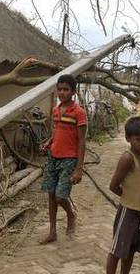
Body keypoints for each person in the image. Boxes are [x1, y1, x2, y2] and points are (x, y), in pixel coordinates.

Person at [39, 74, 87, 244]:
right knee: (51, 195)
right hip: (53, 157)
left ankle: (71, 215)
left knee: (60, 197)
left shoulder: (79, 113)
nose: (62, 92)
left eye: (66, 89)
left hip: (69, 159)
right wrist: (48, 142)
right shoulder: (56, 110)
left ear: (73, 91)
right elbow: (56, 131)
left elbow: (81, 141)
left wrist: (79, 168)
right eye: (59, 89)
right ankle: (52, 232)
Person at [106, 116, 140, 274]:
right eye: (139, 140)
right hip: (129, 212)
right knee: (117, 251)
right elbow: (113, 186)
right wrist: (127, 199)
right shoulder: (127, 158)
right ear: (128, 138)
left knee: (131, 249)